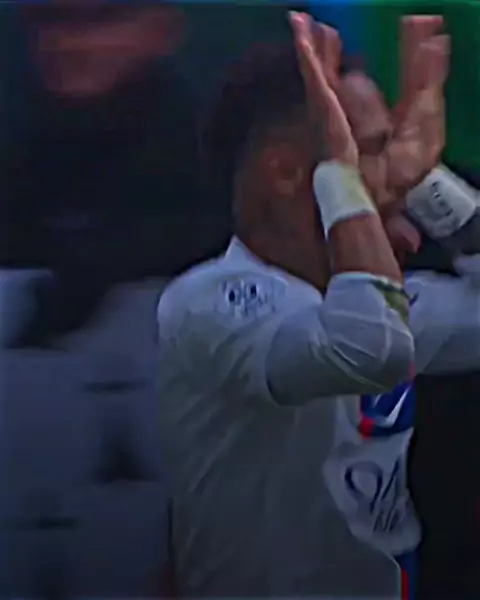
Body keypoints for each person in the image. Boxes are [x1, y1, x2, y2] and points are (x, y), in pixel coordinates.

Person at [156, 12, 476, 598]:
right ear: (286, 173)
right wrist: (342, 178)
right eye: (370, 149)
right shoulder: (210, 303)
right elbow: (369, 350)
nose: (393, 172)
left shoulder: (380, 301)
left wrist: (429, 181)